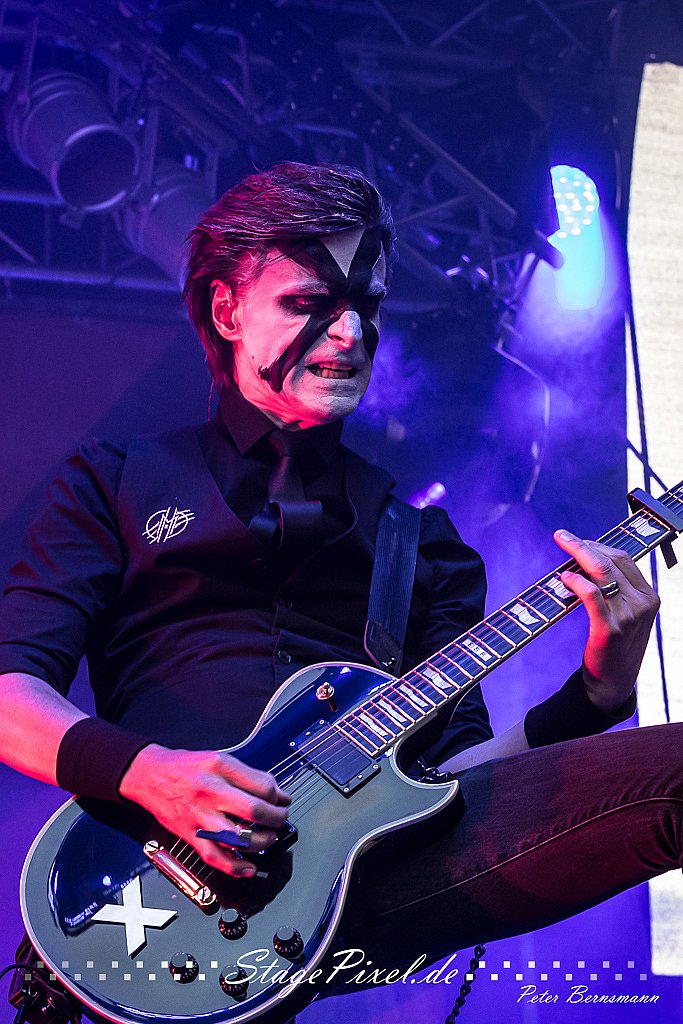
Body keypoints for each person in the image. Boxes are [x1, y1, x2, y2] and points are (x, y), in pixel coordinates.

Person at [0, 162, 680, 1005]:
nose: (350, 333)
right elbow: (9, 693)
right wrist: (150, 774)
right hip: (146, 892)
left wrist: (596, 693)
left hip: (367, 877)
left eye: (368, 305)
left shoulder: (420, 542)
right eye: (308, 302)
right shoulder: (114, 482)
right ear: (227, 312)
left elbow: (456, 777)